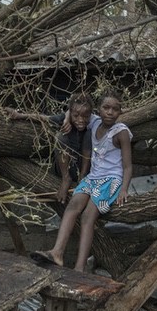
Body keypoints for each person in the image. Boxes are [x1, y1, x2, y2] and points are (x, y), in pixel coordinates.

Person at [31, 91, 132, 272]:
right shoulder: (93, 121)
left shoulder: (121, 132)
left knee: (87, 217)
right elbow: (73, 110)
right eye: (106, 108)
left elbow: (127, 166)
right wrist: (66, 118)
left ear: (120, 112)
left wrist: (124, 189)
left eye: (115, 109)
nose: (110, 112)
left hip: (111, 180)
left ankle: (80, 267)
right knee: (72, 207)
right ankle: (57, 252)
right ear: (98, 111)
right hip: (92, 178)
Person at [7, 93, 97, 203]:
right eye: (76, 115)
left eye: (85, 116)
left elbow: (113, 115)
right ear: (70, 113)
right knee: (60, 137)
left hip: (85, 169)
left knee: (89, 135)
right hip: (66, 167)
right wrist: (20, 115)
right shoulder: (64, 120)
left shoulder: (95, 122)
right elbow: (44, 118)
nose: (80, 120)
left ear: (90, 114)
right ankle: (66, 179)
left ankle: (82, 178)